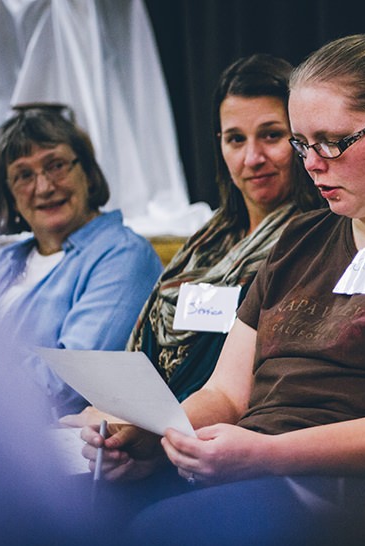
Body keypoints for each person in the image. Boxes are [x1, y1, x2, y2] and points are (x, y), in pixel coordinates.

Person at [80, 33, 365, 546]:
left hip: (350, 491)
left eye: (332, 142)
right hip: (254, 469)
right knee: (59, 521)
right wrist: (154, 436)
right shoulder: (300, 239)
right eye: (301, 144)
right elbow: (225, 394)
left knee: (154, 538)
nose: (312, 163)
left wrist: (264, 454)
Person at [63, 54, 320, 423]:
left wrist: (146, 428)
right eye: (235, 139)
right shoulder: (208, 238)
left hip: (220, 432)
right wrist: (115, 412)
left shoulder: (315, 240)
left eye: (271, 135)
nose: (252, 157)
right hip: (142, 422)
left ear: (301, 141)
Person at [0, 107, 162, 418]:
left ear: (89, 174)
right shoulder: (4, 261)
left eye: (56, 166)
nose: (45, 187)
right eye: (24, 175)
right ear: (9, 195)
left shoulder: (123, 255)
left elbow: (69, 382)